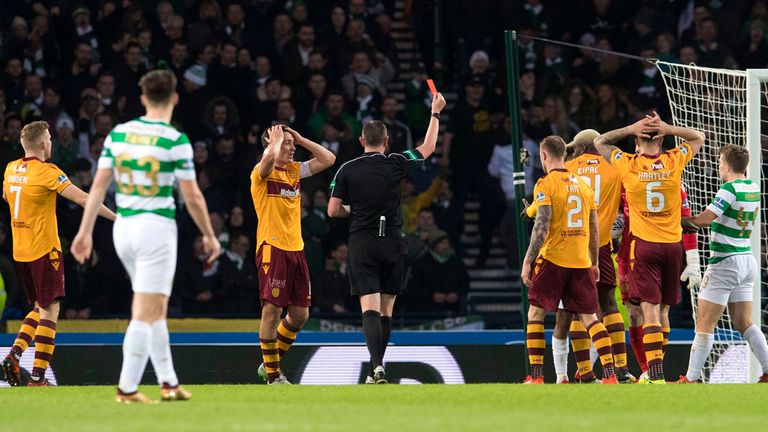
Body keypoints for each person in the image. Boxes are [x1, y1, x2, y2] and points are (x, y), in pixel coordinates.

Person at [71, 70, 221, 403]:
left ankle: (169, 382)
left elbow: (98, 185)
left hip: (123, 228)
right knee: (146, 310)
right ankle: (126, 388)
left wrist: (85, 231)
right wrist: (209, 234)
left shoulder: (118, 134)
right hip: (155, 228)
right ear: (175, 98)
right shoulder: (174, 139)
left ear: (142, 98)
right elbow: (193, 196)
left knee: (153, 308)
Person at [327, 92, 446, 384]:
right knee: (386, 311)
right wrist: (435, 113)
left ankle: (377, 366)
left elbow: (332, 211)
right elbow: (428, 147)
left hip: (362, 243)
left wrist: (355, 208)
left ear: (361, 142)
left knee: (368, 307)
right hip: (393, 241)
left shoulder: (347, 169)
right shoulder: (395, 162)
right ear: (387, 142)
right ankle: (375, 369)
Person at [1, 121, 115, 387]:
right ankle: (38, 377)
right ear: (43, 144)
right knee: (51, 311)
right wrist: (116, 218)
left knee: (39, 306)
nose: (51, 142)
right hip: (44, 250)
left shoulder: (11, 169)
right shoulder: (48, 171)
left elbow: (8, 198)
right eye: (49, 138)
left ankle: (14, 355)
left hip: (21, 251)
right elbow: (84, 199)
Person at [594, 112, 705, 384]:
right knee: (664, 310)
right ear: (663, 139)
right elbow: (698, 137)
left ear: (636, 141)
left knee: (649, 310)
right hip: (672, 247)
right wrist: (666, 127)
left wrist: (632, 126)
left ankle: (654, 373)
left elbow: (600, 142)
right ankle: (653, 370)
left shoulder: (628, 164)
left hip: (644, 246)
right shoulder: (674, 160)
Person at [520, 135, 618, 385]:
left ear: (543, 156)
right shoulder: (584, 186)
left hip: (553, 259)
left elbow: (541, 225)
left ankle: (537, 376)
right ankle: (610, 376)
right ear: (564, 154)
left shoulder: (546, 183)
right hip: (581, 260)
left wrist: (528, 260)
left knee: (536, 314)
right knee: (591, 318)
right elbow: (594, 229)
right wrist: (594, 262)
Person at [251, 125, 336, 384]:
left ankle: (269, 363)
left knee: (300, 315)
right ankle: (273, 376)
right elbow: (266, 162)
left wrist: (301, 138)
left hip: (296, 249)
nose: (292, 148)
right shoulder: (260, 174)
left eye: (292, 143)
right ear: (271, 144)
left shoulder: (293, 172)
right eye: (286, 143)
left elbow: (328, 159)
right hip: (272, 248)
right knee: (272, 312)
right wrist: (275, 143)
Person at [676, 145, 768, 383]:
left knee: (705, 324)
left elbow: (705, 219)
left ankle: (691, 378)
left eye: (719, 162)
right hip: (747, 260)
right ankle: (767, 371)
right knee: (744, 322)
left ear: (726, 165)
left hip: (725, 261)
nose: (718, 166)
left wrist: (677, 222)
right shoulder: (753, 187)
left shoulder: (728, 189)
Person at [561, 129, 632, 383]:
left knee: (579, 309)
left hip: (572, 246)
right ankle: (621, 369)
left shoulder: (567, 166)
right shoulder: (615, 167)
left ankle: (585, 371)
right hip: (601, 244)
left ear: (580, 149)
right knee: (609, 304)